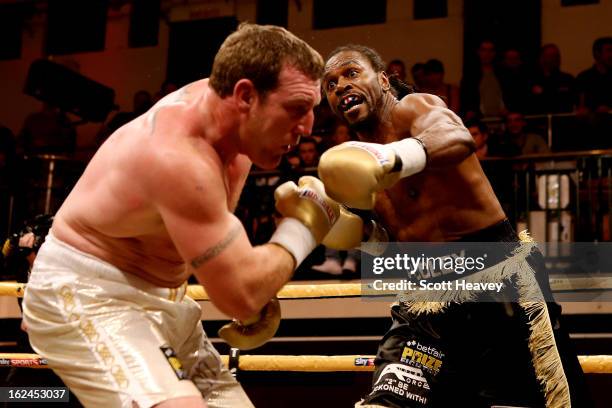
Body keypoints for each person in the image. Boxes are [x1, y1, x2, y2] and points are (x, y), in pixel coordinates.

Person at [22, 24, 358, 408]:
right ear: (246, 95)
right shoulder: (178, 158)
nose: (309, 127)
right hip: (88, 294)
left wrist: (256, 289)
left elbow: (216, 255)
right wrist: (303, 227)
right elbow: (240, 295)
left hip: (170, 299)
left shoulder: (236, 125)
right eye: (297, 109)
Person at [319, 44, 590, 407]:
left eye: (351, 73)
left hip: (498, 283)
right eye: (331, 85)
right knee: (389, 401)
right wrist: (354, 232)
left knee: (537, 399)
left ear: (383, 80)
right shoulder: (355, 165)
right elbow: (393, 242)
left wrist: (392, 157)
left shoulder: (414, 109)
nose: (340, 87)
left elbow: (457, 137)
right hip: (426, 303)